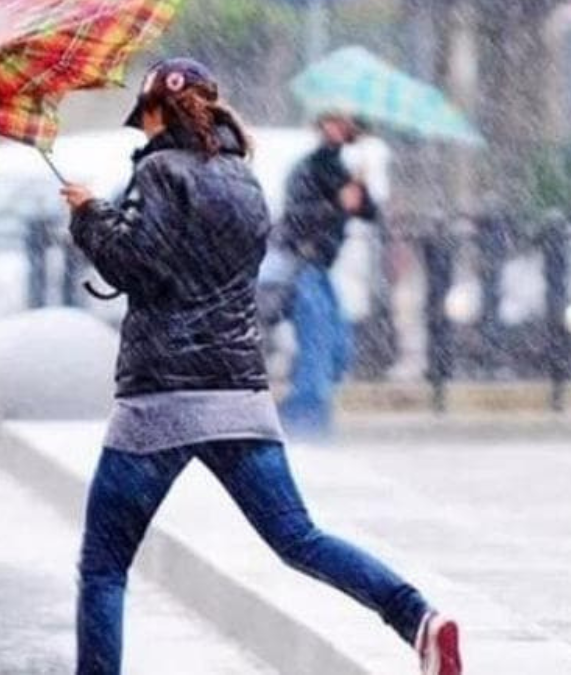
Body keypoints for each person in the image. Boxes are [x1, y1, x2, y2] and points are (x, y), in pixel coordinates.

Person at [60, 58, 461, 675]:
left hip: (161, 399)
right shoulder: (243, 179)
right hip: (238, 393)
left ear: (159, 111)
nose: (139, 132)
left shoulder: (160, 172)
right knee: (298, 538)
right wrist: (112, 216)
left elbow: (140, 267)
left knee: (105, 565)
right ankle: (416, 616)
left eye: (142, 118)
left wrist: (89, 215)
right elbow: (197, 267)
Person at [274, 112, 378, 437]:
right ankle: (305, 420)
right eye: (331, 121)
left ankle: (301, 413)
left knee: (337, 349)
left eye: (345, 123)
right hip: (304, 266)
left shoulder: (341, 168)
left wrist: (360, 190)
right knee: (318, 348)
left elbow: (368, 212)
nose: (339, 129)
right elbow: (296, 218)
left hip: (321, 269)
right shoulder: (309, 167)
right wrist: (337, 205)